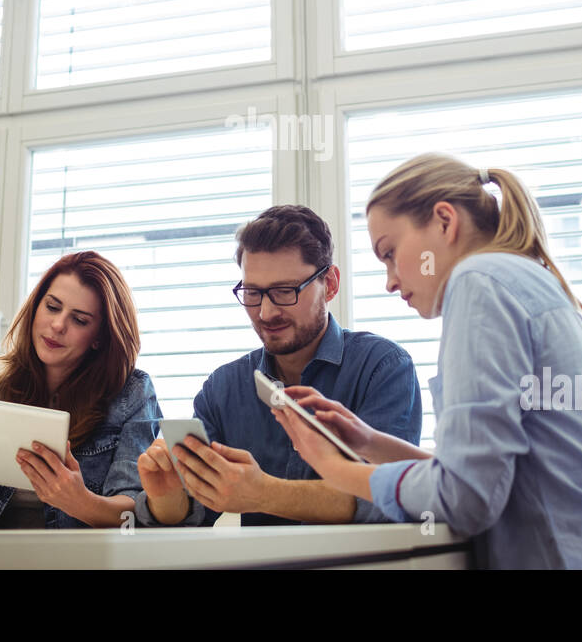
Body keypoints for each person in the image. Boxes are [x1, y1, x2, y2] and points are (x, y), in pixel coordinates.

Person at [272, 154, 582, 568]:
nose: (389, 281)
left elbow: (467, 498)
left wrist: (334, 470)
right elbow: (491, 479)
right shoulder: (525, 279)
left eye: (389, 253)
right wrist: (368, 442)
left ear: (444, 221)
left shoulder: (479, 284)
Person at [134, 205, 422, 527]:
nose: (267, 313)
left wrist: (264, 493)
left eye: (285, 292)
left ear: (330, 283)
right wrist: (165, 495)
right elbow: (191, 512)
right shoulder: (222, 389)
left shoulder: (382, 368)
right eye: (253, 293)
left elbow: (388, 500)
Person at [0, 251, 158, 528]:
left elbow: (136, 518)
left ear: (99, 337)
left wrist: (81, 502)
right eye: (52, 307)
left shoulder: (132, 394)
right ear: (35, 307)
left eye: (79, 320)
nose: (58, 325)